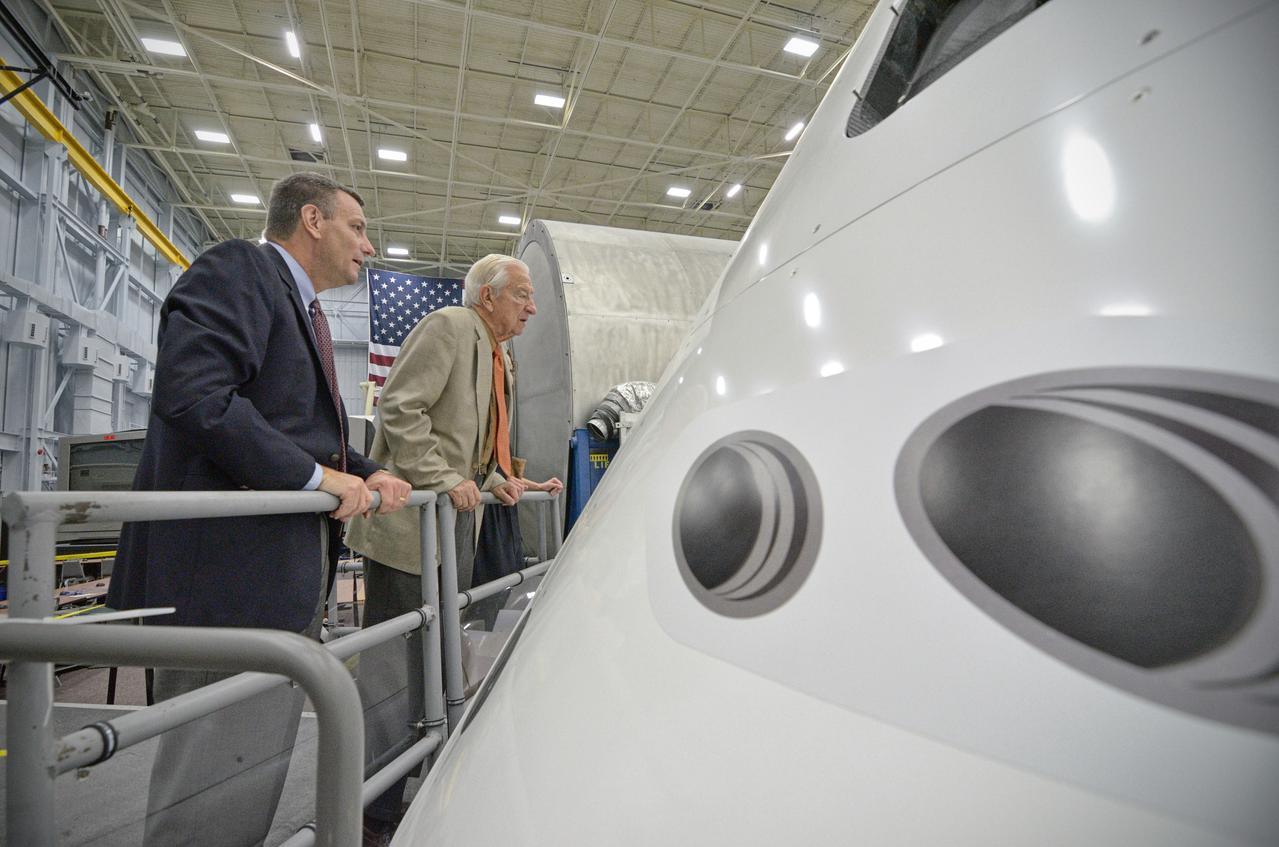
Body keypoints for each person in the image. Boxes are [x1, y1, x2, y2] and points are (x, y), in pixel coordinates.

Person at [105, 171, 412, 847]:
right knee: (209, 791)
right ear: (312, 219)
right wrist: (316, 477)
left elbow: (298, 430)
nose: (367, 246)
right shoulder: (238, 269)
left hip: (271, 583)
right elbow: (196, 397)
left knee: (243, 784)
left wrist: (368, 470)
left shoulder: (305, 312)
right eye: (356, 227)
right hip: (225, 584)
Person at [344, 253, 540, 839]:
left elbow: (468, 447)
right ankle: (369, 809)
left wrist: (495, 482)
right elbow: (401, 409)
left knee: (434, 659)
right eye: (522, 296)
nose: (531, 308)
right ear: (488, 296)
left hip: (453, 525)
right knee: (395, 669)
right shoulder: (452, 327)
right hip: (414, 527)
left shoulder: (497, 351)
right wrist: (443, 478)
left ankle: (416, 784)